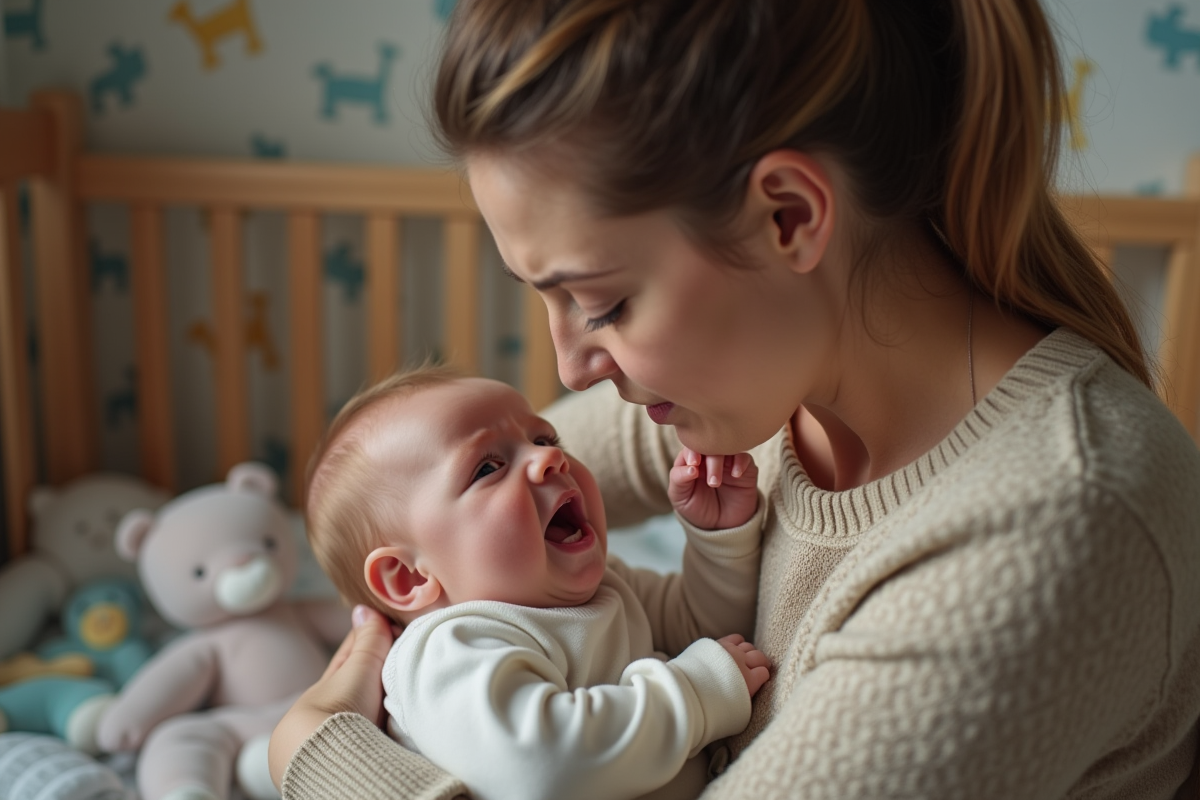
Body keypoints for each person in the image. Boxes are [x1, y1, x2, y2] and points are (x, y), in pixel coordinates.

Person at [270, 0, 1200, 797]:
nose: (572, 367)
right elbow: (442, 527)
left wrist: (318, 754)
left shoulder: (1057, 521)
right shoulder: (763, 389)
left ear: (788, 217)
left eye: (604, 303)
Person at [299, 366, 771, 800]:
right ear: (409, 577)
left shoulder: (604, 588)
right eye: (487, 467)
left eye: (546, 437)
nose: (549, 459)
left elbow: (707, 630)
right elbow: (544, 767)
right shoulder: (448, 650)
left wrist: (718, 541)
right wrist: (695, 694)